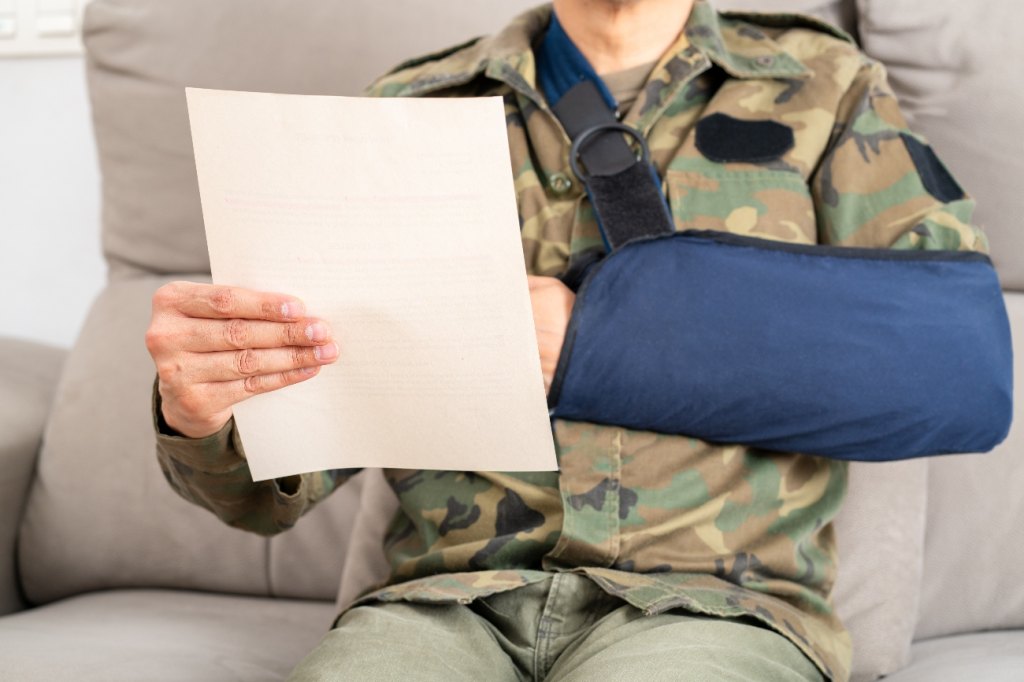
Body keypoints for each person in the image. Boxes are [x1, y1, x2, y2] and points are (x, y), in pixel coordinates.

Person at [145, 0, 986, 680]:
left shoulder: (824, 88)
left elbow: (958, 367)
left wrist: (600, 339)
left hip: (711, 612)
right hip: (445, 608)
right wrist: (205, 414)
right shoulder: (413, 109)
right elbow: (275, 480)